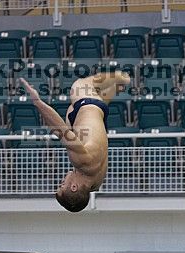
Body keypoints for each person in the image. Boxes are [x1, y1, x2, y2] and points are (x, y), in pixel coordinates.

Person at [20, 70, 130, 212]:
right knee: (79, 85)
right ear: (73, 187)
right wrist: (37, 102)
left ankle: (115, 89)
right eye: (62, 185)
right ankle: (121, 78)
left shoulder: (94, 184)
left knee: (86, 108)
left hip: (91, 117)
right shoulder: (82, 162)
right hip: (88, 105)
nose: (62, 180)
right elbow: (61, 131)